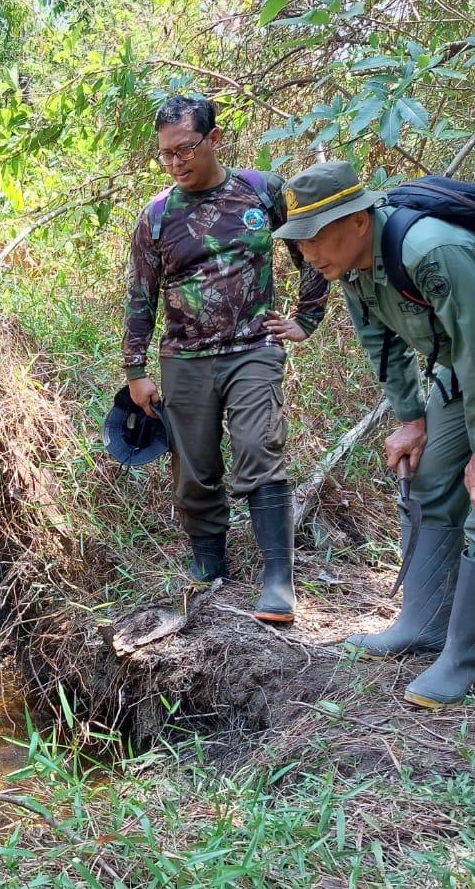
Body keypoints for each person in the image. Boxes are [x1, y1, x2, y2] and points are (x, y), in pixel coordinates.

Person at [272, 161, 475, 707]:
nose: (308, 254)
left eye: (317, 236)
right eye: (299, 242)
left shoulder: (429, 250)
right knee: (428, 476)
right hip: (465, 359)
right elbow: (384, 344)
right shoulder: (347, 265)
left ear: (358, 220)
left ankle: (461, 661)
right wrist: (410, 420)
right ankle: (422, 625)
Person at [122, 95, 329, 624]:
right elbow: (140, 295)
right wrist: (136, 371)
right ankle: (210, 562)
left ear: (214, 139)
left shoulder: (263, 191)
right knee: (194, 469)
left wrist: (306, 318)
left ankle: (277, 578)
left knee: (259, 446)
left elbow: (312, 250)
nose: (177, 163)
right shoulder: (157, 215)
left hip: (252, 349)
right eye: (166, 155)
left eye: (186, 149)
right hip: (184, 358)